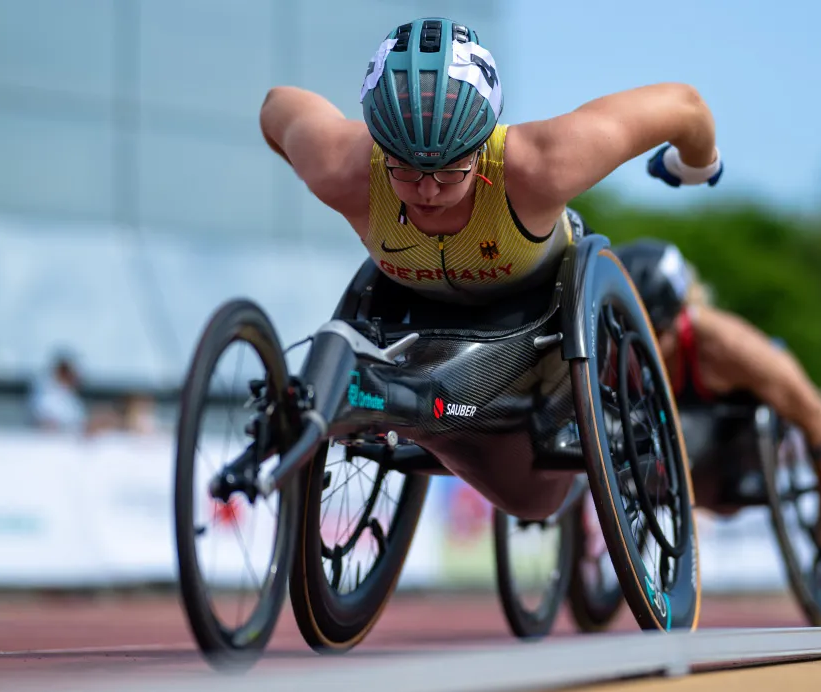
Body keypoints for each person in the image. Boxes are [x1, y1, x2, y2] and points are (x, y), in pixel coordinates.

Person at [259, 16, 723, 520]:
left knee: (534, 501)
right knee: (521, 494)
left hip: (537, 330)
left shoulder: (542, 164)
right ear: (379, 147)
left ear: (482, 147)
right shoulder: (341, 167)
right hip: (419, 327)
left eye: (450, 170)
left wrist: (695, 165)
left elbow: (686, 105)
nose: (429, 190)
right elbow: (276, 106)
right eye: (407, 170)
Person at [616, 238, 821, 555]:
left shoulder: (729, 345)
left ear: (677, 319)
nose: (641, 347)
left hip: (735, 443)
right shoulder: (612, 346)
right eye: (627, 331)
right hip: (675, 439)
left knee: (715, 492)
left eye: (655, 333)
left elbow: (819, 418)